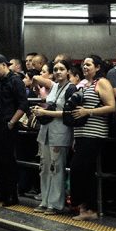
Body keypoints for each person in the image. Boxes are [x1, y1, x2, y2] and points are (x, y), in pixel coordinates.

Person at [69, 55, 116, 221]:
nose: (84, 67)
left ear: (97, 67)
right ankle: (85, 208)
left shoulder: (101, 82)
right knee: (83, 171)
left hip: (95, 133)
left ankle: (88, 208)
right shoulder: (84, 85)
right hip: (82, 133)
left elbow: (111, 106)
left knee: (79, 169)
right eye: (83, 64)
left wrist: (88, 112)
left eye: (88, 64)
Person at [0, 54, 29, 206]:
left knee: (8, 161)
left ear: (4, 65)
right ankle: (2, 191)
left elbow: (23, 104)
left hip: (7, 126)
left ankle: (11, 195)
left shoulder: (15, 81)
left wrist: (12, 122)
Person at [31, 59, 76, 214]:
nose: (58, 72)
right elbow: (37, 79)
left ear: (68, 71)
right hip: (45, 132)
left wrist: (45, 112)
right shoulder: (54, 86)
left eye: (61, 69)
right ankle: (45, 200)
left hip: (60, 133)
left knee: (56, 168)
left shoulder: (72, 88)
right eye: (55, 69)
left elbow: (69, 113)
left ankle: (55, 204)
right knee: (44, 168)